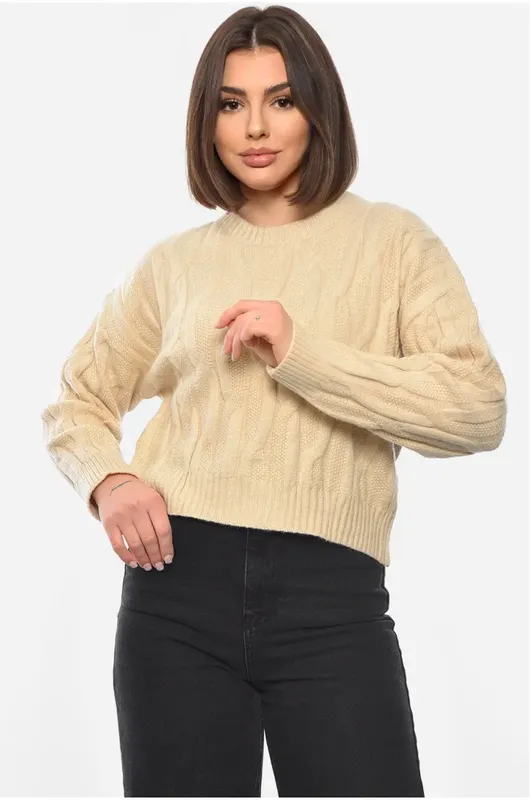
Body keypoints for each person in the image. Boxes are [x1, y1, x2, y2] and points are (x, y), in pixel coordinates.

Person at [41, 5, 508, 797]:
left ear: (318, 109)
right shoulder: (174, 265)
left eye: (281, 100)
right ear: (208, 120)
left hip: (334, 602)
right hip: (175, 597)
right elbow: (76, 399)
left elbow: (475, 408)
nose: (255, 127)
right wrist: (109, 481)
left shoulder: (396, 244)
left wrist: (302, 355)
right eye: (231, 103)